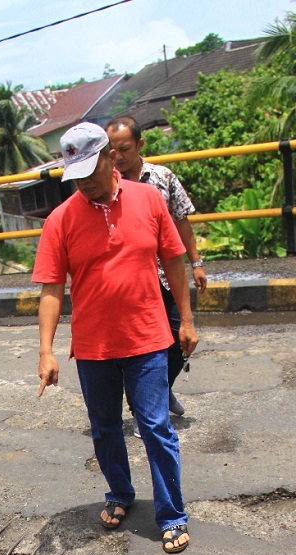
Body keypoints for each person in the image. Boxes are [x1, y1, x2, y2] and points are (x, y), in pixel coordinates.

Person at [33, 122, 199, 554]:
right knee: (104, 428)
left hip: (147, 336)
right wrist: (46, 351)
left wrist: (186, 319)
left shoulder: (148, 199)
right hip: (93, 346)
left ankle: (172, 514)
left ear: (111, 157)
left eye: (91, 170)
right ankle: (120, 492)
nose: (85, 183)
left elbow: (175, 260)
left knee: (155, 426)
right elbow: (51, 289)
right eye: (77, 176)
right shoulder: (60, 220)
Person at [106, 116, 207, 421]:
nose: (118, 157)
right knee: (141, 348)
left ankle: (159, 393)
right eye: (112, 151)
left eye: (124, 149)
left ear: (139, 145)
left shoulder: (162, 177)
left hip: (166, 275)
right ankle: (146, 409)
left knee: (181, 337)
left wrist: (196, 263)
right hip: (131, 282)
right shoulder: (106, 185)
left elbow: (181, 220)